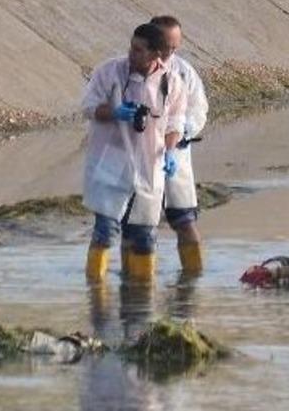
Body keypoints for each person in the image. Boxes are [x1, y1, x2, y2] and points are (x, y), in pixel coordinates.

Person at [81, 23, 185, 282]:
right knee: (105, 231)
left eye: (138, 50)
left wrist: (170, 151)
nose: (131, 53)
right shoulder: (110, 72)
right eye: (131, 47)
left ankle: (139, 304)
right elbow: (88, 107)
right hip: (111, 164)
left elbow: (175, 124)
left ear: (156, 55)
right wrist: (113, 112)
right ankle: (96, 295)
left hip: (150, 167)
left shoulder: (171, 82)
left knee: (144, 237)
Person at [149, 15, 209, 275]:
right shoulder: (132, 68)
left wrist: (182, 131)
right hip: (142, 157)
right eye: (166, 46)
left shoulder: (184, 71)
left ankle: (193, 278)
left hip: (177, 158)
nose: (170, 52)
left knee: (184, 220)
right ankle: (138, 284)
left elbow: (199, 110)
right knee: (139, 224)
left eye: (175, 47)